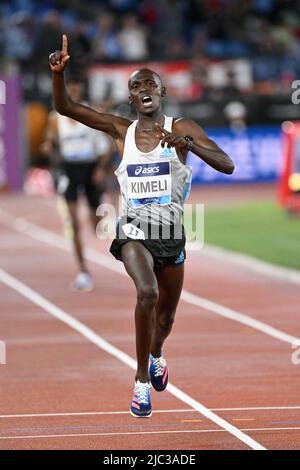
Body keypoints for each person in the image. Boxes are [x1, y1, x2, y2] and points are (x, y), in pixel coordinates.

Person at [49, 34, 234, 417]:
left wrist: (188, 143)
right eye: (136, 85)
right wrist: (58, 76)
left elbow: (227, 163)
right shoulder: (121, 130)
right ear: (131, 98)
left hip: (171, 233)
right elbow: (66, 107)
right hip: (132, 228)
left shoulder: (182, 126)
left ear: (161, 91)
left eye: (149, 82)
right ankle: (140, 383)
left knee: (165, 318)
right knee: (146, 293)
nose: (143, 88)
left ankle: (156, 353)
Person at [41, 78, 112, 291]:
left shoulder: (88, 114)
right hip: (69, 170)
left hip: (90, 169)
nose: (72, 95)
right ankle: (83, 270)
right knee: (73, 221)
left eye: (75, 92)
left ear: (79, 94)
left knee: (97, 225)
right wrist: (48, 144)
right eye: (68, 92)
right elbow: (50, 139)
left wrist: (100, 169)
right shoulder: (55, 118)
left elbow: (105, 146)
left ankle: (98, 214)